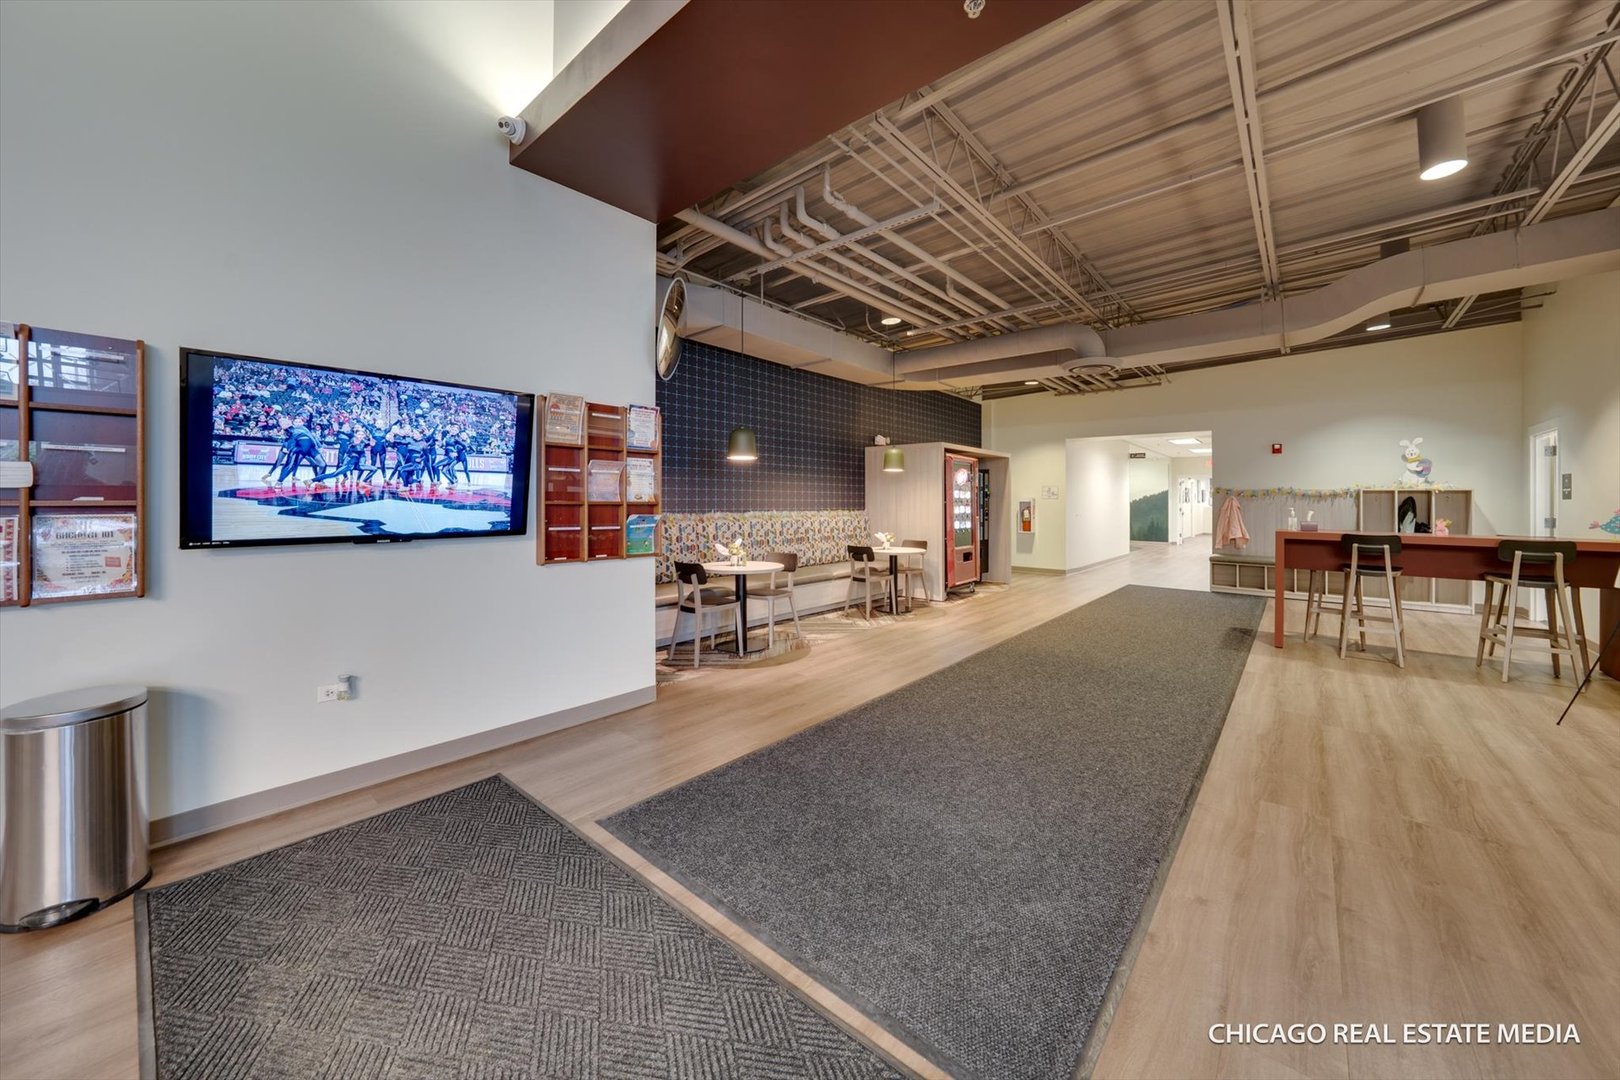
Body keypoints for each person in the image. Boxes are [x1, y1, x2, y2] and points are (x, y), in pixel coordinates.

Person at [272, 415, 323, 488]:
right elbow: (287, 440)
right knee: (291, 465)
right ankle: (280, 481)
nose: (298, 423)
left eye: (299, 422)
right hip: (298, 448)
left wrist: (318, 447)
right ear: (292, 423)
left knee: (314, 464)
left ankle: (318, 481)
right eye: (296, 422)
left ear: (302, 423)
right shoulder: (290, 429)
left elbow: (313, 438)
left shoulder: (306, 429)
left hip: (308, 448)